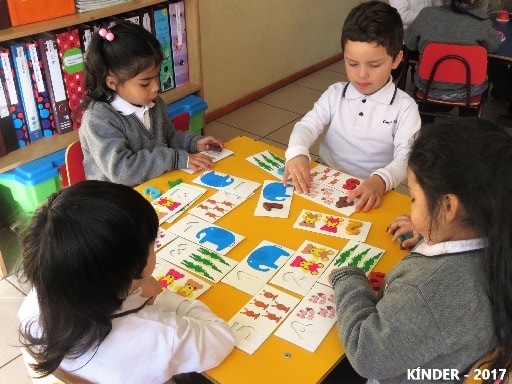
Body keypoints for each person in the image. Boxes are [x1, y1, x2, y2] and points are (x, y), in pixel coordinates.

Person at [329, 117, 512, 383]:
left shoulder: (426, 292)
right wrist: (430, 231)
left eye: (414, 198)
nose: (411, 205)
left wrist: (349, 280)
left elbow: (366, 355)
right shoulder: (499, 237)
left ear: (449, 207)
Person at [17, 181, 235, 383]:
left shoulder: (36, 302)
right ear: (131, 274)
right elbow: (221, 337)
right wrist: (161, 296)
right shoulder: (159, 335)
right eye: (152, 243)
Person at [283, 1, 421, 213]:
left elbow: (406, 156)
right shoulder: (335, 93)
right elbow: (307, 126)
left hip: (372, 190)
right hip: (325, 179)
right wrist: (297, 152)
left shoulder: (404, 108)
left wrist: (381, 180)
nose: (362, 74)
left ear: (396, 59)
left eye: (374, 65)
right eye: (352, 63)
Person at [79, 21, 223, 187]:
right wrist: (175, 159)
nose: (156, 87)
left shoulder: (152, 102)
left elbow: (168, 137)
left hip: (156, 186)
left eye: (157, 76)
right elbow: (122, 170)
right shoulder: (98, 119)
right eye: (145, 83)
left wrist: (194, 143)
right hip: (117, 202)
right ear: (113, 83)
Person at [404, 0, 501, 123]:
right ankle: (468, 121)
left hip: (429, 86)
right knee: (474, 86)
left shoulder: (426, 14)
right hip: (467, 91)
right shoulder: (481, 20)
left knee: (427, 85)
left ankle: (424, 123)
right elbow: (493, 46)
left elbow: (410, 43)